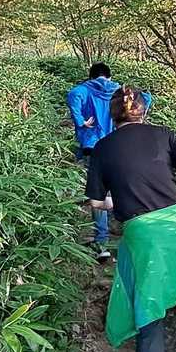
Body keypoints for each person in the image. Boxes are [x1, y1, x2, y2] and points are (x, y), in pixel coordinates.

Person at [85, 85, 176, 352]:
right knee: (172, 281)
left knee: (148, 315)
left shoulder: (102, 148)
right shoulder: (162, 134)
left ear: (111, 116)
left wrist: (118, 202)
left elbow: (96, 202)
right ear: (145, 111)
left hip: (145, 234)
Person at [66, 63, 151, 263]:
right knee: (122, 187)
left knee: (100, 194)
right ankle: (128, 235)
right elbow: (146, 98)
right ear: (109, 76)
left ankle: (102, 244)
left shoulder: (83, 89)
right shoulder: (119, 91)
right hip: (120, 143)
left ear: (91, 76)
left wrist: (80, 121)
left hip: (93, 146)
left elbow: (73, 96)